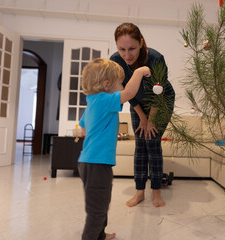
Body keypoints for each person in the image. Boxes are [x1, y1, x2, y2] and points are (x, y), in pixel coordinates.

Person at [77, 58, 151, 240]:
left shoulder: (92, 102)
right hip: (97, 163)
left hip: (89, 162)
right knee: (97, 209)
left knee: (100, 203)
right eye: (120, 81)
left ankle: (100, 235)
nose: (122, 85)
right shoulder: (103, 100)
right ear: (106, 84)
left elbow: (82, 128)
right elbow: (129, 93)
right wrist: (139, 72)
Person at [110, 23, 175, 208]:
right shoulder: (116, 61)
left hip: (161, 101)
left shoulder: (155, 58)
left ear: (141, 42)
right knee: (140, 144)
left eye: (132, 48)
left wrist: (152, 120)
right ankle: (139, 192)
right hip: (137, 103)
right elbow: (125, 92)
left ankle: (156, 192)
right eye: (122, 49)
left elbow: (159, 93)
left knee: (152, 141)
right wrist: (143, 117)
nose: (127, 55)